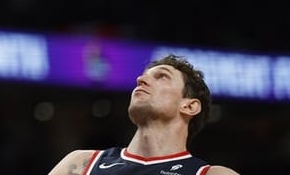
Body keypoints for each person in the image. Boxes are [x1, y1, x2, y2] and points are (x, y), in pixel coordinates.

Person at [47, 54, 240, 175]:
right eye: (144, 76)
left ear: (189, 106)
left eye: (162, 76)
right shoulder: (82, 164)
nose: (141, 79)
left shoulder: (210, 173)